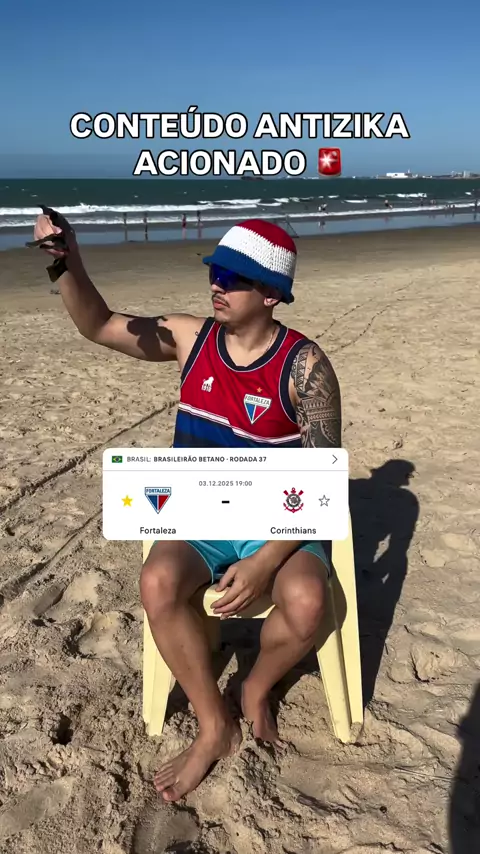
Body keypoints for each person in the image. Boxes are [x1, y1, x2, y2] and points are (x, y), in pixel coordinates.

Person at [32, 213, 342, 803]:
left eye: (234, 277)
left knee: (306, 601)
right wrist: (65, 261)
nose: (217, 285)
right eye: (215, 272)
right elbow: (99, 324)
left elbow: (322, 481)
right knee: (157, 581)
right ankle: (213, 722)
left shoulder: (305, 367)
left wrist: (265, 562)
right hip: (201, 513)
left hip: (279, 519)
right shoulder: (188, 339)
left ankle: (254, 687)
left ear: (271, 293)